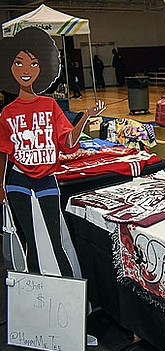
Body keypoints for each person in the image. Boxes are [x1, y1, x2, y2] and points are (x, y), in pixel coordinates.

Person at [0, 26, 105, 276]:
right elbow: (3, 153)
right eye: (19, 63)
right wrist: (0, 186)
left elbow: (68, 143)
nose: (26, 70)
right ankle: (36, 290)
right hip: (17, 181)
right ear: (9, 67)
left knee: (56, 240)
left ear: (43, 68)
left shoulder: (50, 105)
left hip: (47, 178)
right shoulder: (7, 112)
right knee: (31, 242)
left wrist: (84, 117)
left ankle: (67, 290)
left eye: (34, 63)